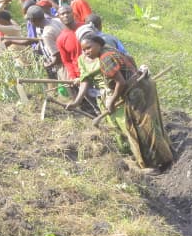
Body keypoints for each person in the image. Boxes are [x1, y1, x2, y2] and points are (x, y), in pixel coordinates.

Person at [69, 34, 173, 171]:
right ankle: (166, 157)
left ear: (98, 44)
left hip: (137, 91)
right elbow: (130, 59)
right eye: (84, 50)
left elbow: (121, 82)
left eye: (89, 47)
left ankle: (157, 163)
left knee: (143, 128)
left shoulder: (105, 58)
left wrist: (111, 102)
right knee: (150, 123)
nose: (86, 52)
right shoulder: (109, 49)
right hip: (141, 85)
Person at [25, 5, 66, 78]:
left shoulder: (47, 34)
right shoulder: (57, 20)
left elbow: (58, 58)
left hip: (63, 66)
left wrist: (48, 65)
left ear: (33, 20)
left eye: (30, 21)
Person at [55, 5, 83, 81]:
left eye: (68, 12)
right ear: (59, 17)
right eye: (62, 14)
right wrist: (73, 76)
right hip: (79, 75)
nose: (66, 15)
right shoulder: (60, 39)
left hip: (94, 69)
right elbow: (66, 61)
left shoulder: (84, 27)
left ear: (73, 14)